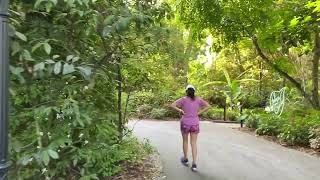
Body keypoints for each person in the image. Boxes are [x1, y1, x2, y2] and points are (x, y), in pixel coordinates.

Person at [171, 85, 210, 172]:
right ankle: (194, 164)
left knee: (185, 141)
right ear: (194, 92)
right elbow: (208, 106)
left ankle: (185, 159)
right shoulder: (198, 99)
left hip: (185, 123)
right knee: (194, 143)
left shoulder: (183, 99)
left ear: (186, 92)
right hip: (195, 123)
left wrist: (180, 110)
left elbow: (172, 105)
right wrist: (199, 113)